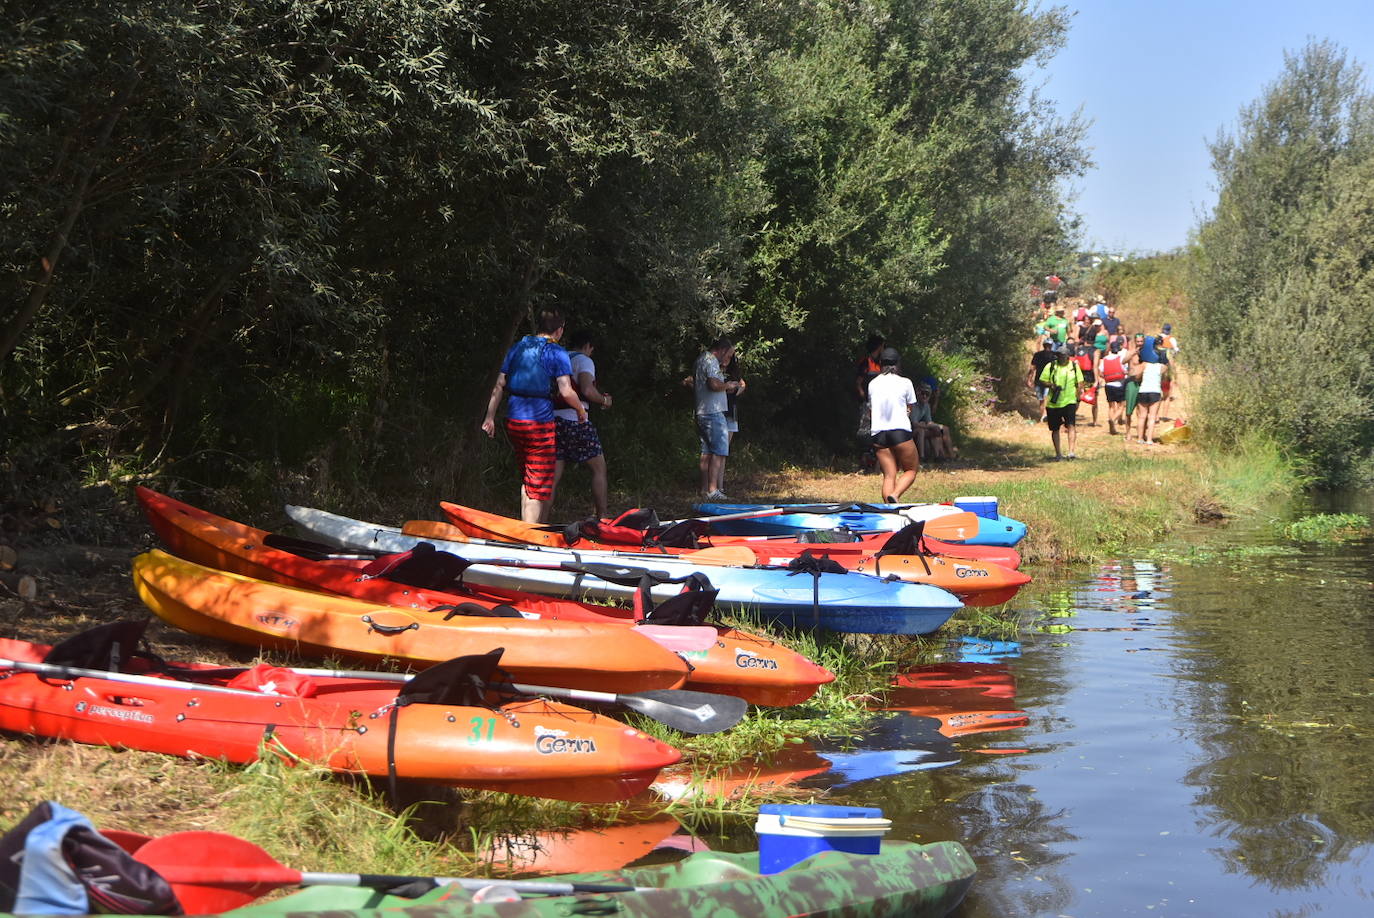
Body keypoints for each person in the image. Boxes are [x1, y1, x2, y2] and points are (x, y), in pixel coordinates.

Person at [482, 308, 586, 523]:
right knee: (539, 486)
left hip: (514, 422)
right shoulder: (557, 352)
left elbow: (499, 384)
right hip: (539, 425)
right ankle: (529, 541)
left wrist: (489, 417)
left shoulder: (519, 347)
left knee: (530, 480)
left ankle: (528, 531)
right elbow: (566, 391)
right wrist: (580, 409)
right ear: (559, 330)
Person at [552, 330, 611, 519]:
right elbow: (586, 389)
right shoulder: (584, 361)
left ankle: (539, 523)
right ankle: (602, 517)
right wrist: (604, 400)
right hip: (576, 420)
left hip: (553, 419)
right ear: (587, 346)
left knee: (552, 475)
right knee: (598, 468)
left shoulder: (559, 358)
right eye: (591, 349)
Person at [694, 336, 745, 500]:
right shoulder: (710, 360)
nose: (728, 360)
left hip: (703, 410)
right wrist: (728, 386)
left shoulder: (701, 359)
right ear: (722, 350)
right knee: (719, 450)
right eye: (728, 356)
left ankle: (705, 489)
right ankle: (713, 490)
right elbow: (713, 385)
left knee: (707, 451)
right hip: (713, 411)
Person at [868, 347, 920, 502]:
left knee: (889, 475)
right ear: (898, 363)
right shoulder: (905, 382)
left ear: (881, 364)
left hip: (878, 433)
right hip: (899, 431)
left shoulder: (873, 384)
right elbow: (910, 407)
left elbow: (871, 409)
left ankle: (889, 510)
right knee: (911, 470)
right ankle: (895, 495)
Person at [1038, 342, 1083, 460]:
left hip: (1069, 400)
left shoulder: (1074, 366)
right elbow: (1042, 380)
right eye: (1059, 355)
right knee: (1055, 428)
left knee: (1071, 426)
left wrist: (1078, 398)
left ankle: (1071, 452)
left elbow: (1080, 383)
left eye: (1063, 355)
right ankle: (1058, 453)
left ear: (1068, 356)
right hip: (1054, 403)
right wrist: (1051, 385)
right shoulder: (1051, 366)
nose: (1061, 357)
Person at [855, 334, 884, 471]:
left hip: (880, 404)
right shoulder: (866, 362)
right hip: (868, 404)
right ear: (878, 346)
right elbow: (859, 383)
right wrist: (864, 399)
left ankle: (875, 461)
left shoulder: (880, 363)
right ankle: (863, 461)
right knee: (865, 431)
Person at [1135, 337, 1170, 445]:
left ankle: (1140, 438)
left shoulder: (1144, 364)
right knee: (1152, 417)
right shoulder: (1162, 367)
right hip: (1155, 391)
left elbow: (1137, 377)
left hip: (1143, 390)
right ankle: (1149, 439)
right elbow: (1165, 376)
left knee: (1142, 416)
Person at [912, 383, 957, 461]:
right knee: (921, 430)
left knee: (941, 429)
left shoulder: (926, 406)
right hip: (911, 429)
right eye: (923, 393)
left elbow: (929, 421)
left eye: (927, 394)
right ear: (918, 393)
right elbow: (914, 423)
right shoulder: (913, 405)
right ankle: (922, 457)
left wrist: (937, 427)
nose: (924, 396)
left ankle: (944, 455)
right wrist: (928, 426)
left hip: (921, 426)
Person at [1097, 339, 1129, 436]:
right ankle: (1113, 419)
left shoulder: (1105, 359)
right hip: (1119, 384)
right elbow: (1124, 371)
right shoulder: (1120, 358)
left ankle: (1112, 429)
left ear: (1110, 349)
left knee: (1111, 406)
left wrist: (1106, 377)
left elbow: (1100, 372)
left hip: (1108, 385)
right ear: (1118, 349)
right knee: (1122, 405)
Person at [1028, 339, 1056, 421]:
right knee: (1041, 399)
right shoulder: (1038, 355)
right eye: (1047, 345)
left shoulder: (1054, 356)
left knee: (1045, 398)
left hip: (1049, 381)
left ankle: (1045, 415)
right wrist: (1029, 379)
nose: (1048, 347)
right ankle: (1042, 416)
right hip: (1039, 381)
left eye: (1049, 345)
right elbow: (1032, 368)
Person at [1074, 341, 1099, 426]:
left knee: (1077, 399)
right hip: (1090, 377)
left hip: (1079, 376)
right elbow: (1095, 366)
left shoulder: (1078, 349)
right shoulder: (1095, 351)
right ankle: (1095, 421)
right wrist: (1096, 380)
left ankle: (1071, 419)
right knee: (1094, 400)